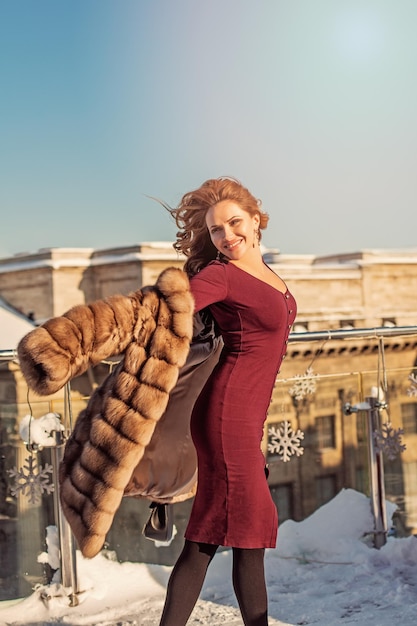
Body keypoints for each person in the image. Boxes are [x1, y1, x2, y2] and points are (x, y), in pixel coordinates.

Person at [158, 177, 297, 626]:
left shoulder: (267, 273)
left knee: (215, 533)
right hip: (225, 416)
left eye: (234, 223)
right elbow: (168, 310)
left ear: (256, 221)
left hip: (243, 417)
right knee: (240, 532)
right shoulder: (219, 275)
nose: (227, 236)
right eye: (216, 230)